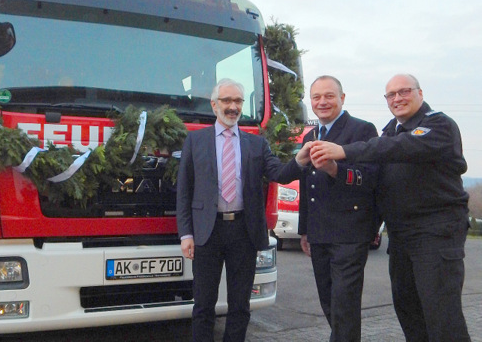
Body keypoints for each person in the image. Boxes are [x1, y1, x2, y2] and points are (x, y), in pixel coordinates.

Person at [308, 73, 471, 342]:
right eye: (391, 95)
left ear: (420, 93)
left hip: (436, 234)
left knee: (442, 316)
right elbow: (379, 186)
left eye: (404, 91)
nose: (398, 98)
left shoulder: (438, 125)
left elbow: (397, 148)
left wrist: (344, 151)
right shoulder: (390, 130)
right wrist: (372, 226)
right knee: (409, 311)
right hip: (401, 236)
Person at [177, 78, 302, 342]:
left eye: (238, 101)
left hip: (243, 232)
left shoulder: (256, 144)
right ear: (214, 105)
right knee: (203, 306)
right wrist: (186, 234)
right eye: (226, 101)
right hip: (207, 233)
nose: (233, 107)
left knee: (240, 306)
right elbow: (184, 191)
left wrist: (300, 160)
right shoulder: (195, 141)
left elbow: (279, 172)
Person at [296, 75, 379, 342]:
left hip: (349, 234)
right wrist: (304, 231)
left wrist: (335, 169)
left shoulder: (362, 130)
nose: (322, 102)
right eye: (316, 97)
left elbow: (370, 178)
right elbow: (306, 185)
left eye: (329, 96)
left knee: (344, 307)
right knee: (330, 304)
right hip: (319, 234)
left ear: (342, 98)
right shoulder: (310, 136)